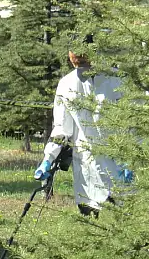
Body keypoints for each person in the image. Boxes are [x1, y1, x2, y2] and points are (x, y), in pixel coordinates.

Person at [34, 36, 130, 218]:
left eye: (84, 60)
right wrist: (48, 158)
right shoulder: (67, 84)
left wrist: (131, 160)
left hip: (117, 160)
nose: (80, 66)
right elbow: (62, 128)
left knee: (122, 215)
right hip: (86, 162)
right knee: (88, 213)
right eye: (76, 61)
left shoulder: (117, 80)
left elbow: (133, 123)